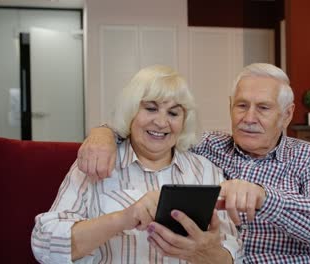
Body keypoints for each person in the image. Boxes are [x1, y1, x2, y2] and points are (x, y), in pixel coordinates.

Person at [78, 63, 310, 263]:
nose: (249, 118)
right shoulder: (207, 146)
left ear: (287, 114)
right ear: (231, 106)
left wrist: (265, 198)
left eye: (263, 108)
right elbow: (154, 130)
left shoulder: (309, 157)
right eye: (241, 106)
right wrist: (103, 133)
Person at [31, 65, 241, 264]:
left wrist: (208, 253)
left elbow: (234, 251)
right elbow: (44, 245)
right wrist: (123, 219)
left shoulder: (205, 171)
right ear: (131, 112)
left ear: (184, 121)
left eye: (173, 113)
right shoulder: (96, 162)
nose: (161, 122)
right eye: (151, 109)